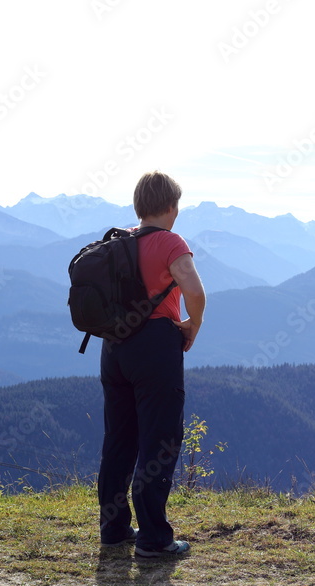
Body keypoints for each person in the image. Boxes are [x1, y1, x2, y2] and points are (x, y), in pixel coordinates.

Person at [97, 171, 205, 558]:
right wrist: (193, 324)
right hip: (154, 346)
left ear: (139, 206)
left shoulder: (119, 241)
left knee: (119, 439)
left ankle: (113, 528)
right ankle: (154, 538)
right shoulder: (170, 242)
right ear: (171, 207)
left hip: (113, 347)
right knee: (159, 441)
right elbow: (193, 289)